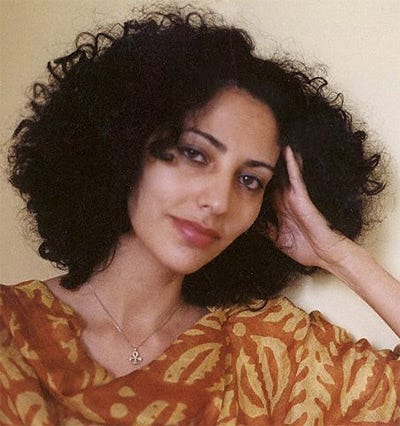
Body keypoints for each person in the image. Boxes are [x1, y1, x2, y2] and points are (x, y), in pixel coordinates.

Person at [1, 7, 399, 425]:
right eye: (195, 154)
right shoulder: (11, 326)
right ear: (125, 145)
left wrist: (336, 253)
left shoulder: (264, 352)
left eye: (249, 180)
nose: (219, 201)